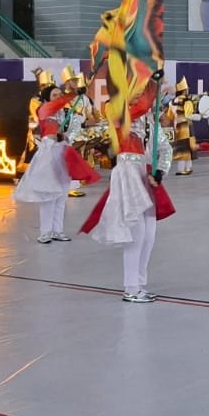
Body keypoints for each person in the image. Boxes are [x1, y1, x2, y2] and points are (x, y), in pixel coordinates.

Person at [80, 85, 175, 304]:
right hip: (127, 174)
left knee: (149, 234)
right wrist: (154, 85)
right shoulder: (118, 112)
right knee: (136, 234)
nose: (139, 96)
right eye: (136, 91)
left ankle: (140, 284)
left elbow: (165, 149)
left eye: (142, 92)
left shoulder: (149, 122)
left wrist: (159, 173)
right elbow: (141, 107)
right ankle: (131, 288)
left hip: (145, 176)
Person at [15, 87, 102, 243]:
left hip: (63, 153)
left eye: (60, 94)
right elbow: (50, 129)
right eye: (54, 95)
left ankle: (57, 230)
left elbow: (78, 127)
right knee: (49, 195)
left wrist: (68, 135)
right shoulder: (43, 109)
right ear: (47, 98)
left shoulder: (66, 114)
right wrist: (73, 93)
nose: (59, 97)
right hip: (48, 154)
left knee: (61, 195)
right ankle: (45, 232)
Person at [169, 81, 199, 176]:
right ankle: (186, 168)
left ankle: (184, 168)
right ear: (184, 90)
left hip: (178, 125)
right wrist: (198, 116)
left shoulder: (173, 101)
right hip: (186, 125)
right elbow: (189, 115)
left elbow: (170, 115)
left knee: (181, 148)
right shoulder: (186, 100)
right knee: (187, 147)